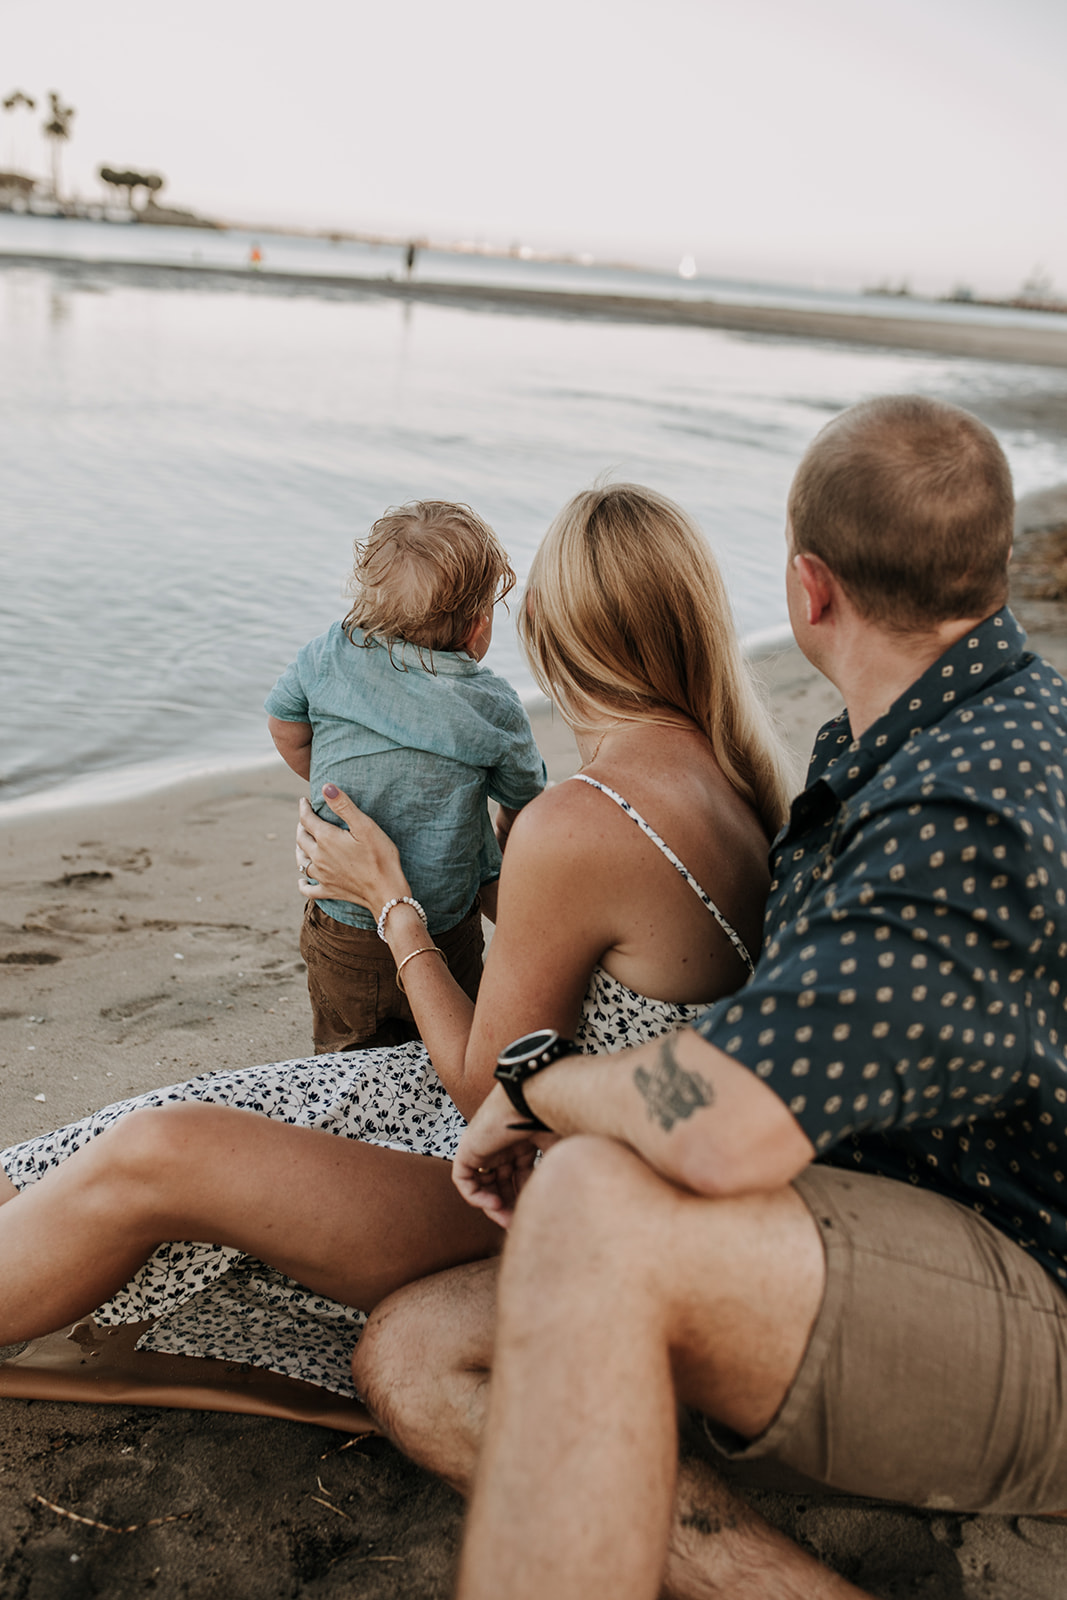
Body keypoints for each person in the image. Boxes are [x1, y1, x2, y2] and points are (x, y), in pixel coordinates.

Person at [349, 396, 1067, 1600]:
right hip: (900, 1226)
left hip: (1024, 1293)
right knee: (417, 1357)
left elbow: (724, 1115)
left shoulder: (959, 804)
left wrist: (537, 1085)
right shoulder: (917, 737)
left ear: (807, 589)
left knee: (589, 1195)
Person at [0, 483, 789, 1408]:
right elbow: (577, 949)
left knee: (161, 1150)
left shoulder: (588, 819)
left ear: (549, 627)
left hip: (539, 1178)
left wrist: (390, 901)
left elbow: (483, 1087)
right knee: (122, 1131)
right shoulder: (730, 779)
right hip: (585, 1139)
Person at [266, 500, 546, 1052]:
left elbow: (283, 723)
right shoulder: (492, 706)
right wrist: (504, 826)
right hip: (443, 925)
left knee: (344, 1054)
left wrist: (323, 779)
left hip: (343, 918)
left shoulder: (328, 655)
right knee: (450, 1040)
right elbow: (525, 797)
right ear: (478, 625)